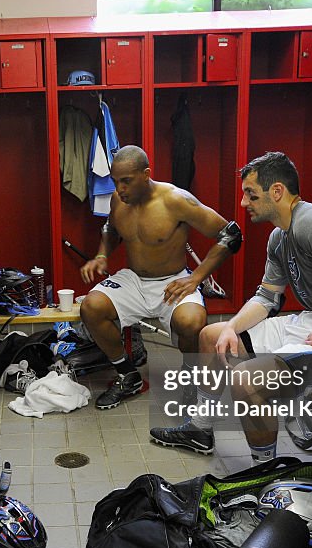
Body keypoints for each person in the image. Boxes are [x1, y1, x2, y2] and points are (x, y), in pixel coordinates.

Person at [190, 152, 312, 463]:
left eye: (251, 194)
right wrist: (231, 327)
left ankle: (266, 469)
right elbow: (267, 297)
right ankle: (199, 430)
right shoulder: (279, 237)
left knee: (246, 381)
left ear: (277, 191)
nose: (244, 204)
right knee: (212, 336)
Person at [79, 145, 240, 417]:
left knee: (191, 322)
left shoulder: (176, 200)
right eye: (115, 181)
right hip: (134, 280)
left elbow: (231, 235)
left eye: (126, 181)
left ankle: (189, 379)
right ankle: (128, 376)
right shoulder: (121, 200)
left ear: (146, 174)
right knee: (91, 307)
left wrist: (196, 278)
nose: (119, 189)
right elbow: (111, 227)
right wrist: (102, 254)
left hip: (174, 280)